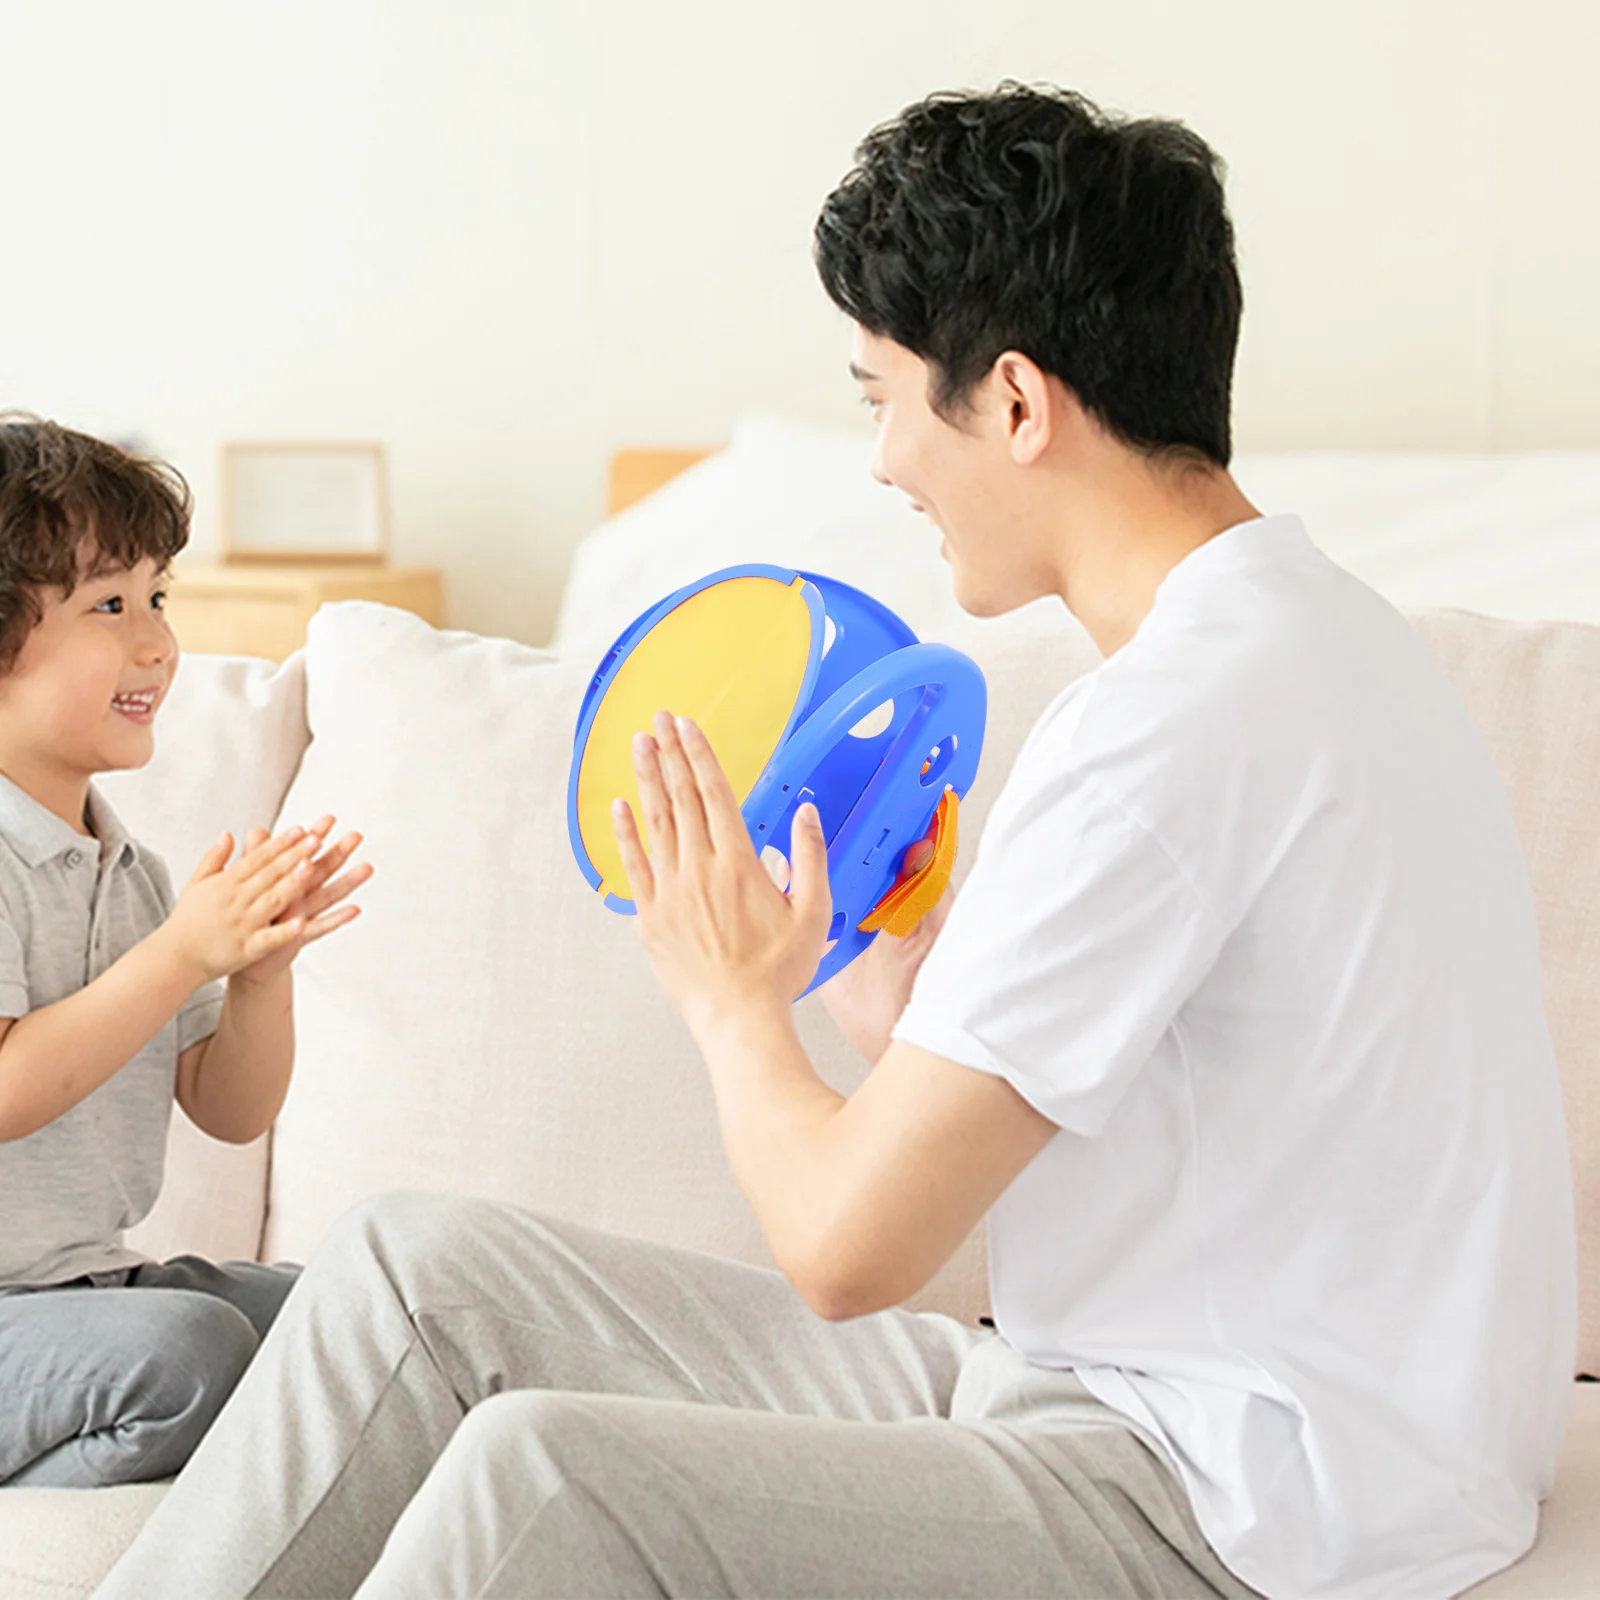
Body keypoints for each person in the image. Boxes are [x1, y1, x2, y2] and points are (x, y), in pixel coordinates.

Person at [97, 82, 1574, 1600]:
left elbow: (844, 1246)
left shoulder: (1170, 734)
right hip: (1224, 1408)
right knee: (413, 1275)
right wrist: (893, 1003)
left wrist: (733, 998)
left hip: (1235, 1500)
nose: (878, 462)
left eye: (881, 397)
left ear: (1012, 402)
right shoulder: (1316, 631)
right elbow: (1213, 1096)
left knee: (548, 1476)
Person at [0, 417, 372, 1487]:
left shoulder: (136, 875)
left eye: (158, 598)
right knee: (192, 1355)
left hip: (81, 1294)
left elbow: (228, 1107)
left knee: (346, 1310)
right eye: (108, 605)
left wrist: (258, 971)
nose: (157, 642)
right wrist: (180, 952)